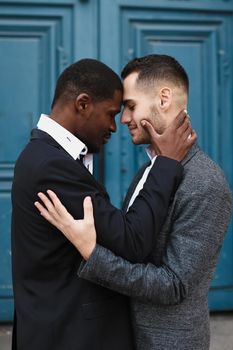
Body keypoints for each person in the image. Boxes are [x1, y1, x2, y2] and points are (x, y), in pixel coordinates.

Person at [36, 55, 232, 350]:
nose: (123, 119)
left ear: (163, 98)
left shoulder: (206, 181)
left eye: (130, 106)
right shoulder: (150, 169)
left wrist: (92, 252)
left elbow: (174, 284)